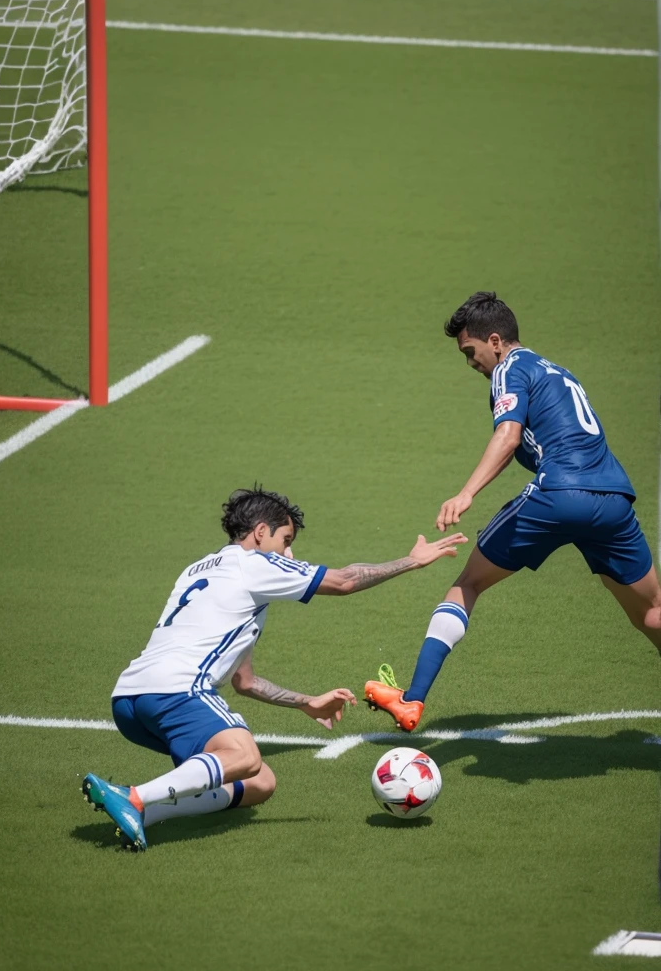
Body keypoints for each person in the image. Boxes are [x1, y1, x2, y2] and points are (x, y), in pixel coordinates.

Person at [83, 486, 466, 848]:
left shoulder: (197, 569)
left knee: (260, 781)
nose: (290, 555)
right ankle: (133, 797)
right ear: (260, 532)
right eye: (285, 541)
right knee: (245, 756)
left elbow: (244, 681)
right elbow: (346, 580)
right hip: (176, 691)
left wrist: (306, 703)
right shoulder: (252, 565)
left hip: (129, 699)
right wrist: (412, 562)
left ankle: (143, 813)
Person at [365, 291, 661, 731]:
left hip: (558, 494)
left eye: (471, 351)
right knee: (651, 611)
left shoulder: (509, 369)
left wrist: (466, 493)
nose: (470, 363)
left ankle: (412, 700)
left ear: (497, 340)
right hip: (614, 499)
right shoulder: (558, 371)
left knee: (468, 583)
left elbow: (508, 434)